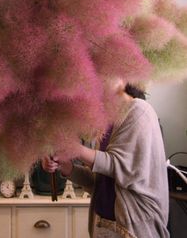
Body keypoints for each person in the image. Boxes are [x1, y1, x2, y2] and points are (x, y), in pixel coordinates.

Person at [42, 81, 170, 238]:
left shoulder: (139, 110)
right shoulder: (106, 122)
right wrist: (67, 168)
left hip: (133, 229)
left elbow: (123, 167)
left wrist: (74, 148)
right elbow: (98, 181)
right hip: (103, 226)